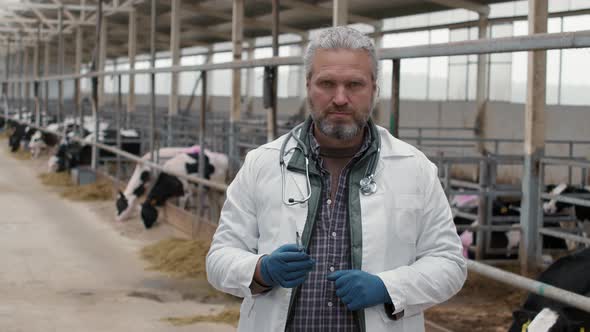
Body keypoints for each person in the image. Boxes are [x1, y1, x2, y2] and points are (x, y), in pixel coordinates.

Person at [206, 26, 467, 332]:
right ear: (308, 86)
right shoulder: (262, 163)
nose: (340, 98)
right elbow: (219, 258)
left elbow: (449, 263)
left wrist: (388, 287)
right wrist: (261, 270)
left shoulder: (414, 169)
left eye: (354, 84)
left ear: (374, 89)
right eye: (327, 83)